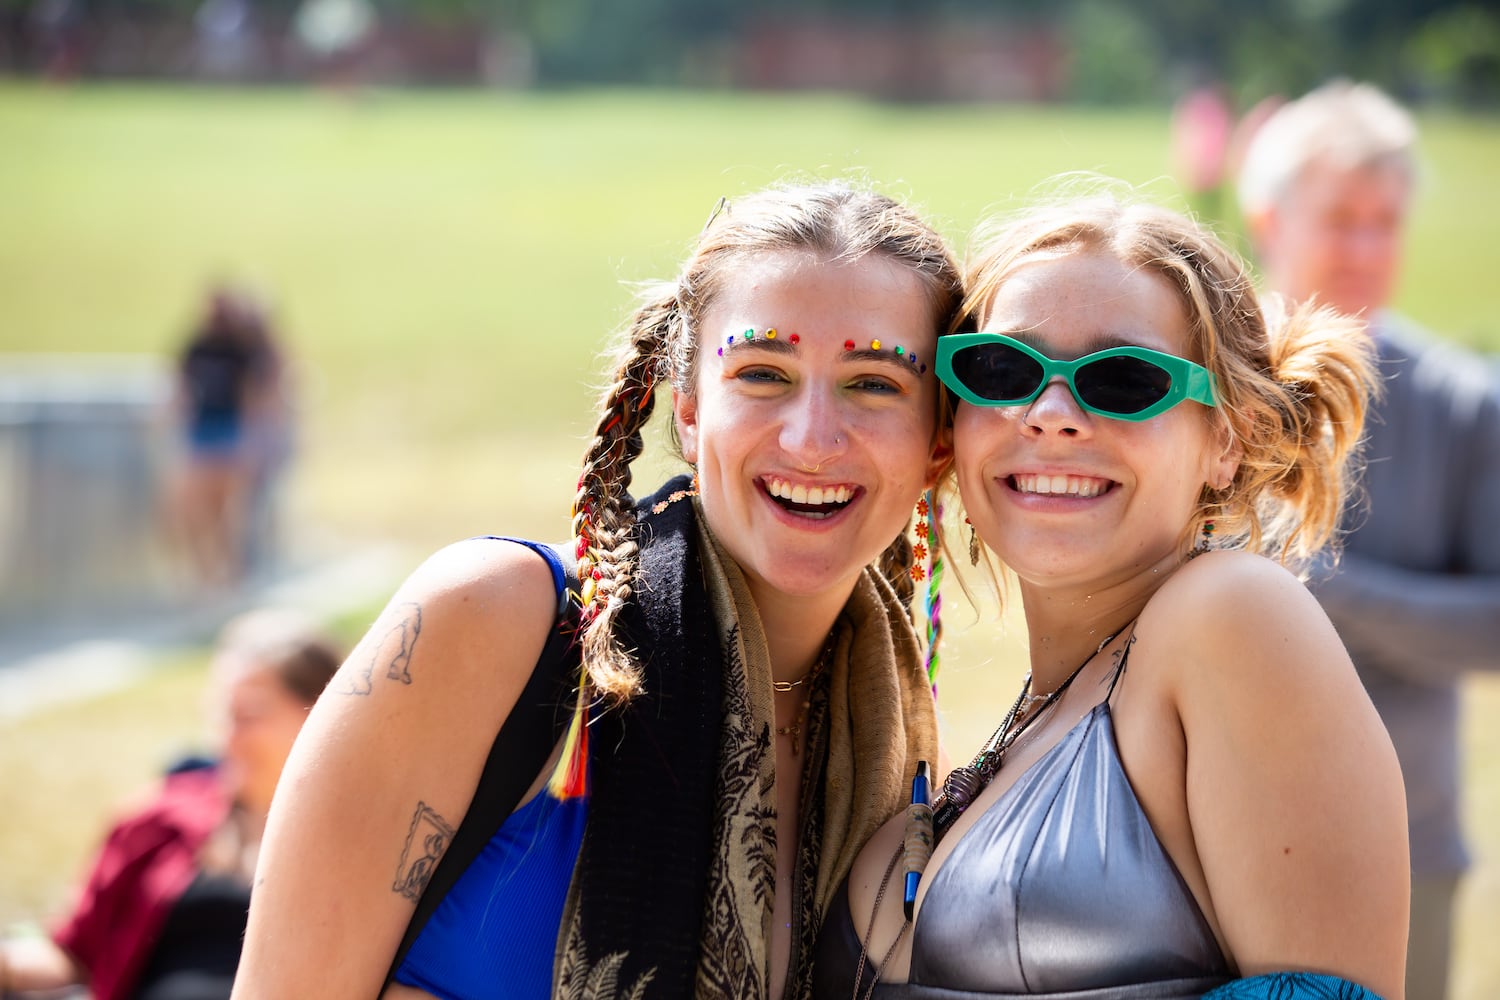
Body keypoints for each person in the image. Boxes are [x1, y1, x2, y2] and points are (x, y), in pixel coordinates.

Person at [231, 181, 960, 1000]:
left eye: (874, 384)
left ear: (939, 442)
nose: (812, 439)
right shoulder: (496, 621)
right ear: (687, 410)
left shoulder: (901, 757)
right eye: (763, 373)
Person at [814, 193, 1409, 998]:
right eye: (1004, 369)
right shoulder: (1039, 711)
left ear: (1226, 438)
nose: (1052, 414)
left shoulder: (1232, 614)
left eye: (1124, 380)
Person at [1237, 80, 1500, 1000]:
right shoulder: (1189, 387)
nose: (1364, 246)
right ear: (1265, 214)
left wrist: (1301, 582)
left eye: (1384, 222)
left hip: (1405, 842)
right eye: (1339, 217)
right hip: (1202, 831)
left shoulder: (1467, 402)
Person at [0, 608, 343, 1000]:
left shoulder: (360, 841)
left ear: (319, 714)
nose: (228, 738)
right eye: (221, 714)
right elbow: (73, 955)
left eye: (249, 714)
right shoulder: (159, 820)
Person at [168, 283, 288, 589]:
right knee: (194, 510)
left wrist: (252, 441)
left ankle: (228, 574)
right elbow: (181, 384)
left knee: (225, 511)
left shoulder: (240, 351)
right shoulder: (197, 346)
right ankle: (206, 573)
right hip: (202, 432)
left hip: (230, 432)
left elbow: (252, 397)